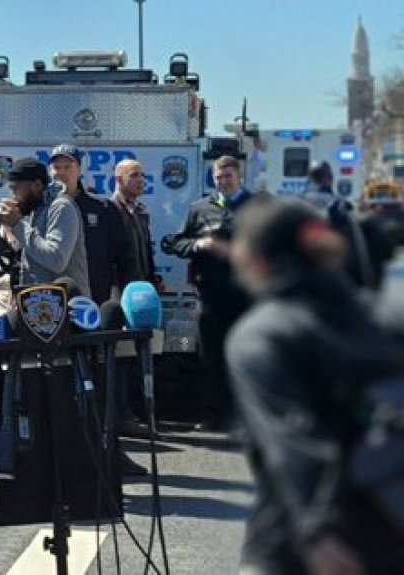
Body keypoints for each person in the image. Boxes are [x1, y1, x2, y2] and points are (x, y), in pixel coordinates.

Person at [226, 197, 404, 574]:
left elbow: (295, 437)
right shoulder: (379, 318)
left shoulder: (261, 335)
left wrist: (318, 531)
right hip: (389, 522)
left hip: (298, 540)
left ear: (255, 260)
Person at [161, 155, 259, 431]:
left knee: (248, 356)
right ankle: (214, 414)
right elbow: (177, 242)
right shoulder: (200, 208)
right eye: (218, 177)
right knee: (212, 357)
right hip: (211, 296)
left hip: (247, 295)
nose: (223, 181)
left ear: (239, 177)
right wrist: (197, 244)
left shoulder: (255, 206)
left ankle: (248, 417)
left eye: (228, 176)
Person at [49, 144, 136, 304]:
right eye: (56, 167)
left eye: (67, 167)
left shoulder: (102, 208)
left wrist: (120, 295)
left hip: (94, 296)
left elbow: (123, 255)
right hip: (51, 296)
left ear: (79, 170)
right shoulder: (41, 209)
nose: (61, 172)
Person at [0, 157, 89, 295]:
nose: (13, 195)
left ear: (37, 185)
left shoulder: (61, 207)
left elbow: (56, 260)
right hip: (39, 305)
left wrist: (18, 224)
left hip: (66, 307)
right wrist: (9, 230)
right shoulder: (34, 210)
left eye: (16, 189)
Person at [112, 158, 163, 288]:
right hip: (119, 289)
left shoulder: (141, 212)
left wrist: (153, 280)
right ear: (119, 179)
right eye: (134, 175)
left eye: (142, 176)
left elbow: (146, 252)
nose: (141, 180)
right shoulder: (110, 210)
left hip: (142, 288)